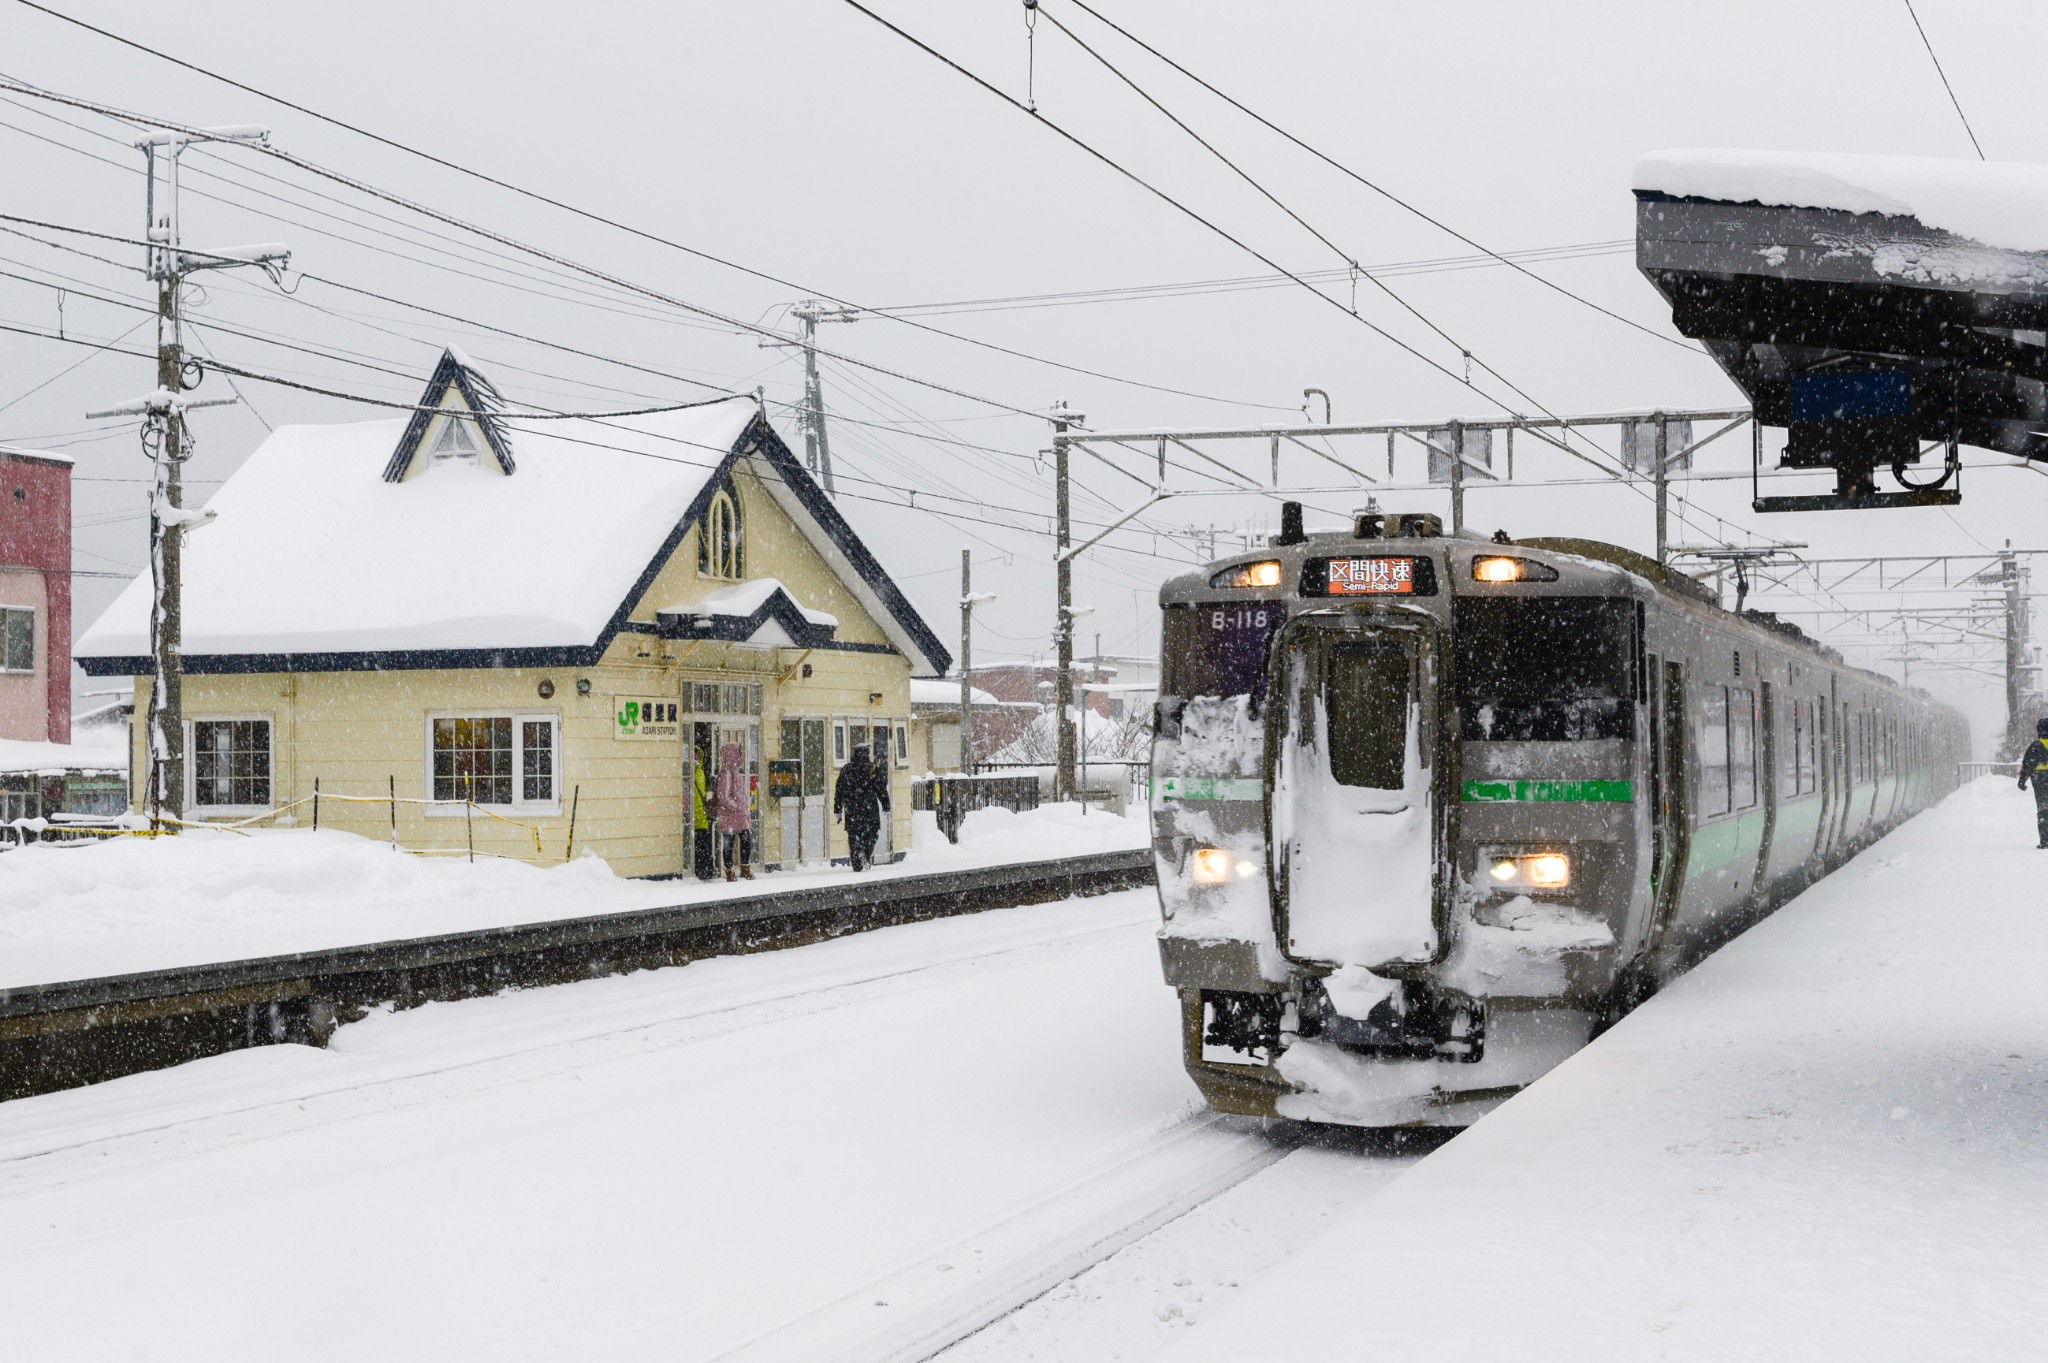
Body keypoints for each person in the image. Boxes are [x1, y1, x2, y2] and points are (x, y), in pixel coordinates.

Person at [834, 743, 890, 871]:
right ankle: (865, 851)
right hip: (869, 809)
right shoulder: (873, 769)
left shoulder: (846, 769)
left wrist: (837, 809)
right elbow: (880, 789)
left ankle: (857, 863)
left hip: (851, 809)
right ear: (866, 753)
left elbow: (839, 790)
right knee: (872, 834)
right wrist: (886, 805)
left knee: (853, 835)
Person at [714, 742, 753, 881]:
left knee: (746, 840)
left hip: (740, 815)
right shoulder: (727, 774)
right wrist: (736, 806)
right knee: (728, 844)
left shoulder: (736, 773)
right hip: (729, 815)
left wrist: (744, 807)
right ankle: (729, 871)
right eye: (738, 753)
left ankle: (745, 868)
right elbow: (723, 796)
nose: (740, 756)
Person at [2018, 717, 2048, 848]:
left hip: (2040, 780)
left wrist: (2022, 780)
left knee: (2043, 810)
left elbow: (2027, 764)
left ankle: (2045, 839)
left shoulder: (2035, 746)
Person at [691, 752, 716, 880]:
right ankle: (698, 870)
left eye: (698, 756)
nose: (696, 758)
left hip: (702, 816)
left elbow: (706, 793)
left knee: (704, 846)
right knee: (695, 847)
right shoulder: (688, 772)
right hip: (691, 818)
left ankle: (705, 871)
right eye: (693, 755)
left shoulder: (701, 772)